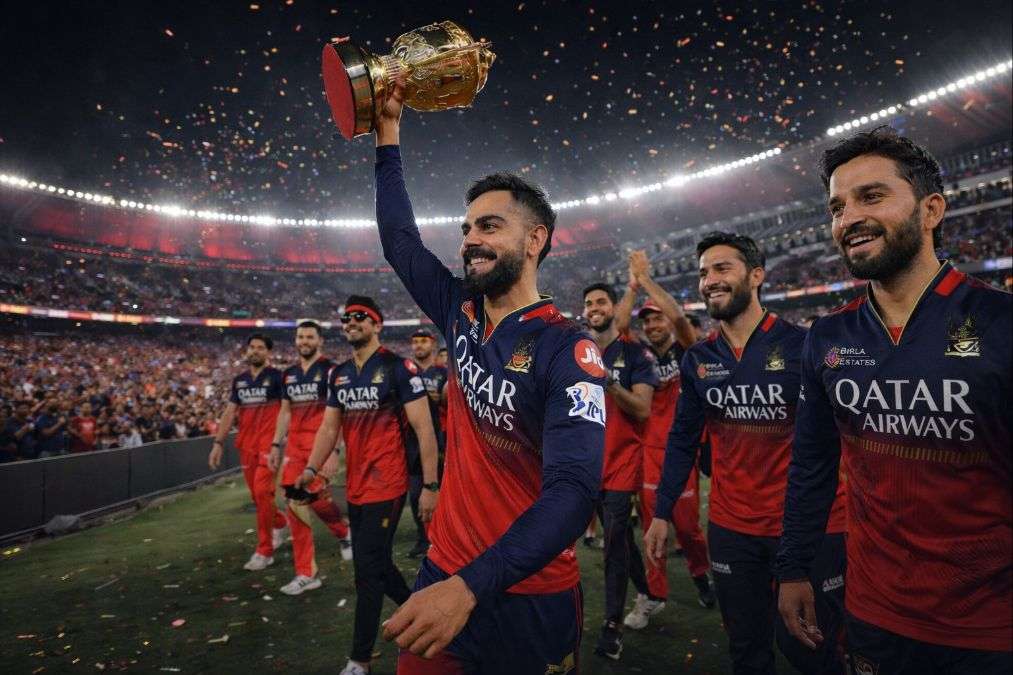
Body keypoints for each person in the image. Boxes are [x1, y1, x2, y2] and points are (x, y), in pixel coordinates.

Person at [372, 79, 606, 675]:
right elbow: (401, 241)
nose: (471, 239)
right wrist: (388, 134)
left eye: (489, 226)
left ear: (535, 240)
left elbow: (574, 495)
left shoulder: (568, 350)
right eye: (468, 228)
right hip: (444, 569)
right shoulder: (460, 313)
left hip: (531, 595)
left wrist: (471, 587)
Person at [776, 127, 1012, 673]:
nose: (848, 218)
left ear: (931, 210)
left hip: (989, 625)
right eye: (837, 207)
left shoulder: (1000, 324)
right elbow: (812, 466)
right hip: (874, 612)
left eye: (871, 196)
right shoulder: (828, 338)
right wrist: (793, 569)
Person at [644, 232, 848, 675]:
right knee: (747, 651)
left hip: (809, 529)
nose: (709, 281)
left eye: (722, 269)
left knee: (814, 652)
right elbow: (682, 440)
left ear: (756, 275)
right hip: (732, 529)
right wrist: (662, 512)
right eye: (703, 273)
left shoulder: (804, 346)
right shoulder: (699, 359)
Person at [297, 295, 439, 675]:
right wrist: (311, 469)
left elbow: (425, 429)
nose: (351, 323)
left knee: (367, 572)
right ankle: (417, 606)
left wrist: (430, 485)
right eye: (346, 319)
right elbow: (329, 428)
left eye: (360, 317)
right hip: (356, 488)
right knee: (376, 564)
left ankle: (359, 658)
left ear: (377, 325)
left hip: (389, 486)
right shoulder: (338, 374)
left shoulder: (399, 368)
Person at [612, 250, 715, 633]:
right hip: (647, 454)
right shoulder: (638, 354)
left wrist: (648, 280)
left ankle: (701, 574)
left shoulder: (685, 348)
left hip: (680, 451)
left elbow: (676, 316)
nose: (653, 323)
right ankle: (655, 595)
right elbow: (620, 325)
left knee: (688, 529)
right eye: (648, 319)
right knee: (653, 530)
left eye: (656, 317)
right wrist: (632, 286)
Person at [582, 281, 658, 660]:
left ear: (614, 307)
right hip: (586, 465)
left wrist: (609, 382)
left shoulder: (636, 354)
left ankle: (611, 627)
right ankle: (647, 593)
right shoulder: (579, 353)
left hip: (620, 464)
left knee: (613, 544)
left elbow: (643, 409)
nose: (594, 308)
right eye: (589, 303)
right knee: (621, 541)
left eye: (600, 301)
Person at [268, 320, 353, 597]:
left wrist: (335, 450)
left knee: (318, 501)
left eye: (309, 337)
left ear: (320, 341)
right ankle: (307, 572)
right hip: (294, 449)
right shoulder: (288, 375)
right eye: (300, 337)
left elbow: (341, 413)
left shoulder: (331, 371)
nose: (304, 341)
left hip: (320, 448)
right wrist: (275, 444)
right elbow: (284, 412)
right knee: (294, 504)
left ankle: (342, 532)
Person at [208, 334, 289, 571]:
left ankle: (264, 550)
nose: (255, 351)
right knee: (257, 497)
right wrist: (218, 442)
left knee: (263, 493)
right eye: (251, 347)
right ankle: (281, 522)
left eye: (260, 348)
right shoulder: (240, 381)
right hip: (246, 447)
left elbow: (286, 411)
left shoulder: (277, 378)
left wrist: (280, 441)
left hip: (268, 446)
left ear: (268, 353)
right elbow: (230, 412)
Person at [405, 327, 448, 559]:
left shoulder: (443, 373)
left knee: (439, 491)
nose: (419, 345)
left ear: (432, 344)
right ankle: (424, 539)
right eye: (415, 341)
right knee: (415, 494)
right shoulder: (407, 372)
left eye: (423, 341)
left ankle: (440, 539)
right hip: (411, 442)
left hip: (441, 441)